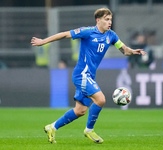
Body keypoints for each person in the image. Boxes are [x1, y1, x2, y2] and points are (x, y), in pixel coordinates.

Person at [31, 8, 146, 144]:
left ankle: (52, 127)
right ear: (98, 20)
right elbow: (64, 34)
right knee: (101, 99)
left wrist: (133, 51)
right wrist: (43, 41)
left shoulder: (111, 35)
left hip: (89, 76)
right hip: (81, 75)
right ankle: (89, 130)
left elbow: (124, 50)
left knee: (80, 111)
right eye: (106, 19)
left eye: (110, 19)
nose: (110, 22)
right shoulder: (88, 32)